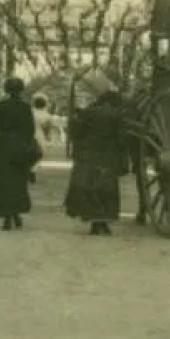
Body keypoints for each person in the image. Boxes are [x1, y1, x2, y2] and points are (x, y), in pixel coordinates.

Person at [64, 70, 126, 236]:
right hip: (108, 157)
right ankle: (104, 223)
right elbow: (121, 138)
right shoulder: (116, 114)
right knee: (107, 189)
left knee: (92, 188)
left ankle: (95, 224)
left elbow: (77, 134)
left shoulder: (90, 112)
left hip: (90, 156)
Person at [0, 77, 41, 230]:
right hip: (20, 145)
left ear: (7, 89)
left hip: (3, 146)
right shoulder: (25, 107)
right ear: (21, 90)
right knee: (18, 180)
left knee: (3, 180)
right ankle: (16, 213)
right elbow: (31, 130)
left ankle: (6, 216)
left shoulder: (2, 106)